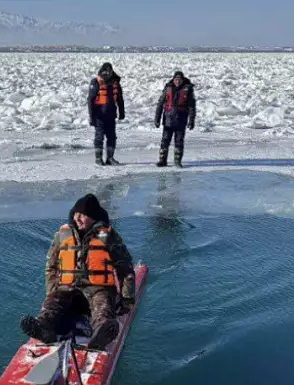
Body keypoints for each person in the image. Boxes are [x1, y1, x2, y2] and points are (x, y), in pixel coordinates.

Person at [20, 194, 135, 350]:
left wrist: (126, 299)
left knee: (102, 307)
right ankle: (43, 327)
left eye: (83, 215)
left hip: (98, 290)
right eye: (76, 213)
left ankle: (102, 333)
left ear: (93, 217)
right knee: (54, 305)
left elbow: (125, 269)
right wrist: (51, 292)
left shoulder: (108, 236)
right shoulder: (62, 235)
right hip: (68, 289)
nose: (78, 218)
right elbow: (51, 266)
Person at [154, 70, 196, 167]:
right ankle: (162, 160)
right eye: (176, 79)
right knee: (165, 140)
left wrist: (191, 121)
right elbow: (160, 104)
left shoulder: (188, 90)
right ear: (173, 80)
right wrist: (157, 119)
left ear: (182, 80)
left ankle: (177, 161)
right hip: (168, 120)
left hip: (181, 120)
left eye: (179, 79)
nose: (177, 81)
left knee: (179, 141)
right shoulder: (168, 88)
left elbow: (192, 107)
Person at [88, 62, 126, 166]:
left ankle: (110, 158)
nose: (106, 73)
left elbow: (119, 99)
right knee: (99, 137)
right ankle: (98, 158)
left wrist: (122, 112)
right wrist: (91, 117)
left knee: (112, 137)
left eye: (108, 70)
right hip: (99, 115)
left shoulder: (115, 83)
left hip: (111, 115)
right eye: (104, 70)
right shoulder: (96, 82)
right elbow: (90, 100)